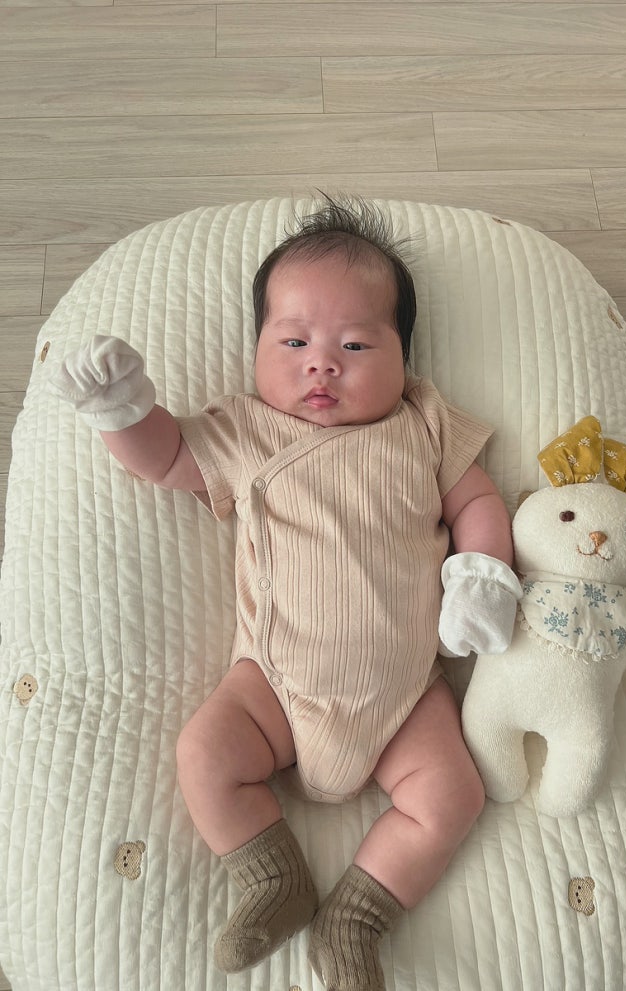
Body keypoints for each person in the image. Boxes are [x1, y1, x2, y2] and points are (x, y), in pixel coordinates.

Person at [50, 196, 522, 991]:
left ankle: (356, 918)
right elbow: (166, 458)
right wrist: (122, 408)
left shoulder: (423, 424)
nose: (322, 364)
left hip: (407, 692)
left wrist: (481, 573)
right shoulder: (247, 429)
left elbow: (476, 500)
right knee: (205, 754)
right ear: (258, 349)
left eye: (355, 343)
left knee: (451, 796)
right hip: (271, 681)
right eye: (294, 341)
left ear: (403, 356)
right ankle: (273, 876)